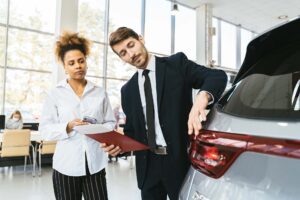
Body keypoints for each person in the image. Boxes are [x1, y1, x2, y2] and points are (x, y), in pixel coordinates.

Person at [102, 27, 227, 200]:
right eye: (123, 53)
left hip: (179, 162)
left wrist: (202, 98)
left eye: (131, 45)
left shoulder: (176, 64)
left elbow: (217, 76)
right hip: (148, 167)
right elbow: (133, 132)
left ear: (141, 39)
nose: (130, 54)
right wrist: (119, 147)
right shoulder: (128, 90)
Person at [39, 31, 115, 200]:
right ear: (65, 67)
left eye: (81, 61)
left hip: (95, 164)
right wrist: (68, 126)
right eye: (71, 63)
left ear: (86, 62)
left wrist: (99, 130)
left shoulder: (100, 93)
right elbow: (44, 129)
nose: (78, 66)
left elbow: (111, 122)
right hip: (66, 166)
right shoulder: (55, 94)